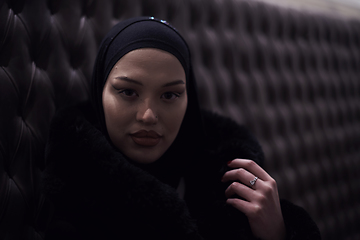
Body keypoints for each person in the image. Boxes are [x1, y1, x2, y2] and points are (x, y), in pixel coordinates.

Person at [42, 17, 321, 240]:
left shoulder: (228, 178)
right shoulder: (76, 194)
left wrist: (279, 233)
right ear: (99, 92)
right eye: (128, 92)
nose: (148, 115)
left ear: (190, 98)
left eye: (169, 95)